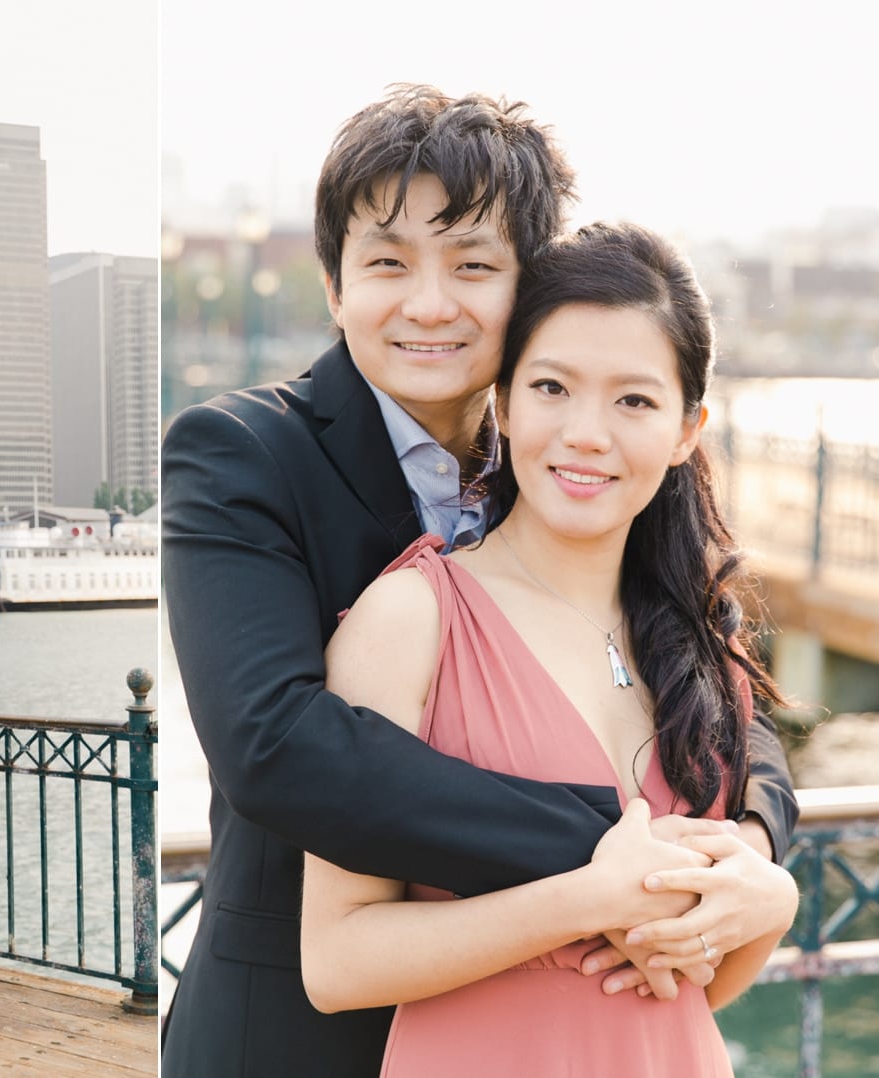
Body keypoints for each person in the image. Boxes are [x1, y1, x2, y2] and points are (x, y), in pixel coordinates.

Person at [160, 84, 799, 1077]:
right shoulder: (241, 454)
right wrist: (615, 846)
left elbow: (711, 678)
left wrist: (753, 848)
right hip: (300, 1034)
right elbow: (275, 746)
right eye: (385, 263)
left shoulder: (561, 469)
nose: (428, 302)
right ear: (333, 286)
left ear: (527, 282)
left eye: (472, 265)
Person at [301, 220, 800, 1075]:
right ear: (503, 402)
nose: (587, 434)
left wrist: (773, 900)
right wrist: (582, 900)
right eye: (553, 387)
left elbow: (692, 987)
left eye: (634, 400)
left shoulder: (698, 638)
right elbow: (338, 961)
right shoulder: (410, 619)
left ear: (687, 430)